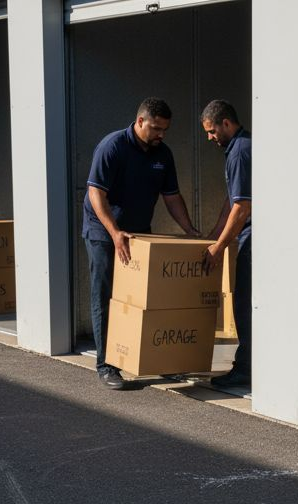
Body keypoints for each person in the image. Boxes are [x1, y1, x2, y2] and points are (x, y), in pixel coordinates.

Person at [84, 98, 202, 390]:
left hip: (139, 233)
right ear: (140, 121)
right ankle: (106, 365)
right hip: (104, 232)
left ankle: (148, 360)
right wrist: (114, 232)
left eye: (165, 129)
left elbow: (171, 197)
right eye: (156, 128)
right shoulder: (112, 146)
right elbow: (96, 192)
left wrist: (190, 230)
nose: (161, 134)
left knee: (143, 300)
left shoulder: (163, 153)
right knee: (106, 296)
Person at [200, 99, 252, 388]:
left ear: (226, 123)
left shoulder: (240, 152)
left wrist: (219, 247)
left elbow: (242, 207)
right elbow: (231, 201)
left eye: (212, 131)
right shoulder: (239, 148)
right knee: (244, 300)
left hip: (254, 237)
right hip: (248, 234)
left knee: (244, 303)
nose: (210, 137)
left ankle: (245, 368)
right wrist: (215, 235)